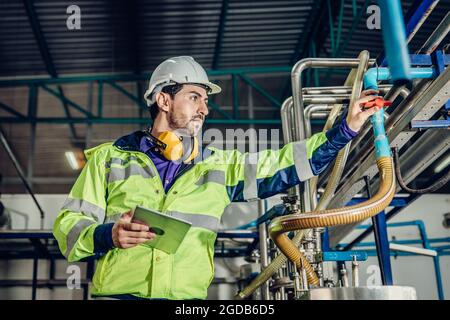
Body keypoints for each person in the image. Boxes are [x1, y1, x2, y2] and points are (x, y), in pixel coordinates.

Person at [53, 56, 380, 300]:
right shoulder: (110, 159)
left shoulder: (219, 167)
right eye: (195, 96)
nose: (205, 109)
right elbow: (69, 227)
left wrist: (345, 130)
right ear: (164, 100)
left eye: (206, 100)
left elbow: (284, 164)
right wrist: (108, 235)